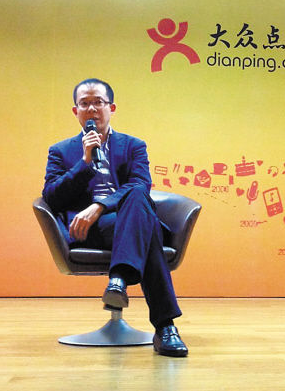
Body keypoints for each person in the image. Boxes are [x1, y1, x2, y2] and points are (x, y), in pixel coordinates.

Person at [43, 78, 188, 357]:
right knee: (148, 229)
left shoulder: (134, 145)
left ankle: (118, 280)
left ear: (111, 107)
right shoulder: (60, 151)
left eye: (98, 102)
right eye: (85, 104)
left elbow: (140, 184)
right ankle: (165, 327)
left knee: (137, 196)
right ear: (75, 111)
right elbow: (51, 197)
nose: (92, 109)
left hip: (125, 218)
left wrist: (99, 206)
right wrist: (84, 163)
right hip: (89, 229)